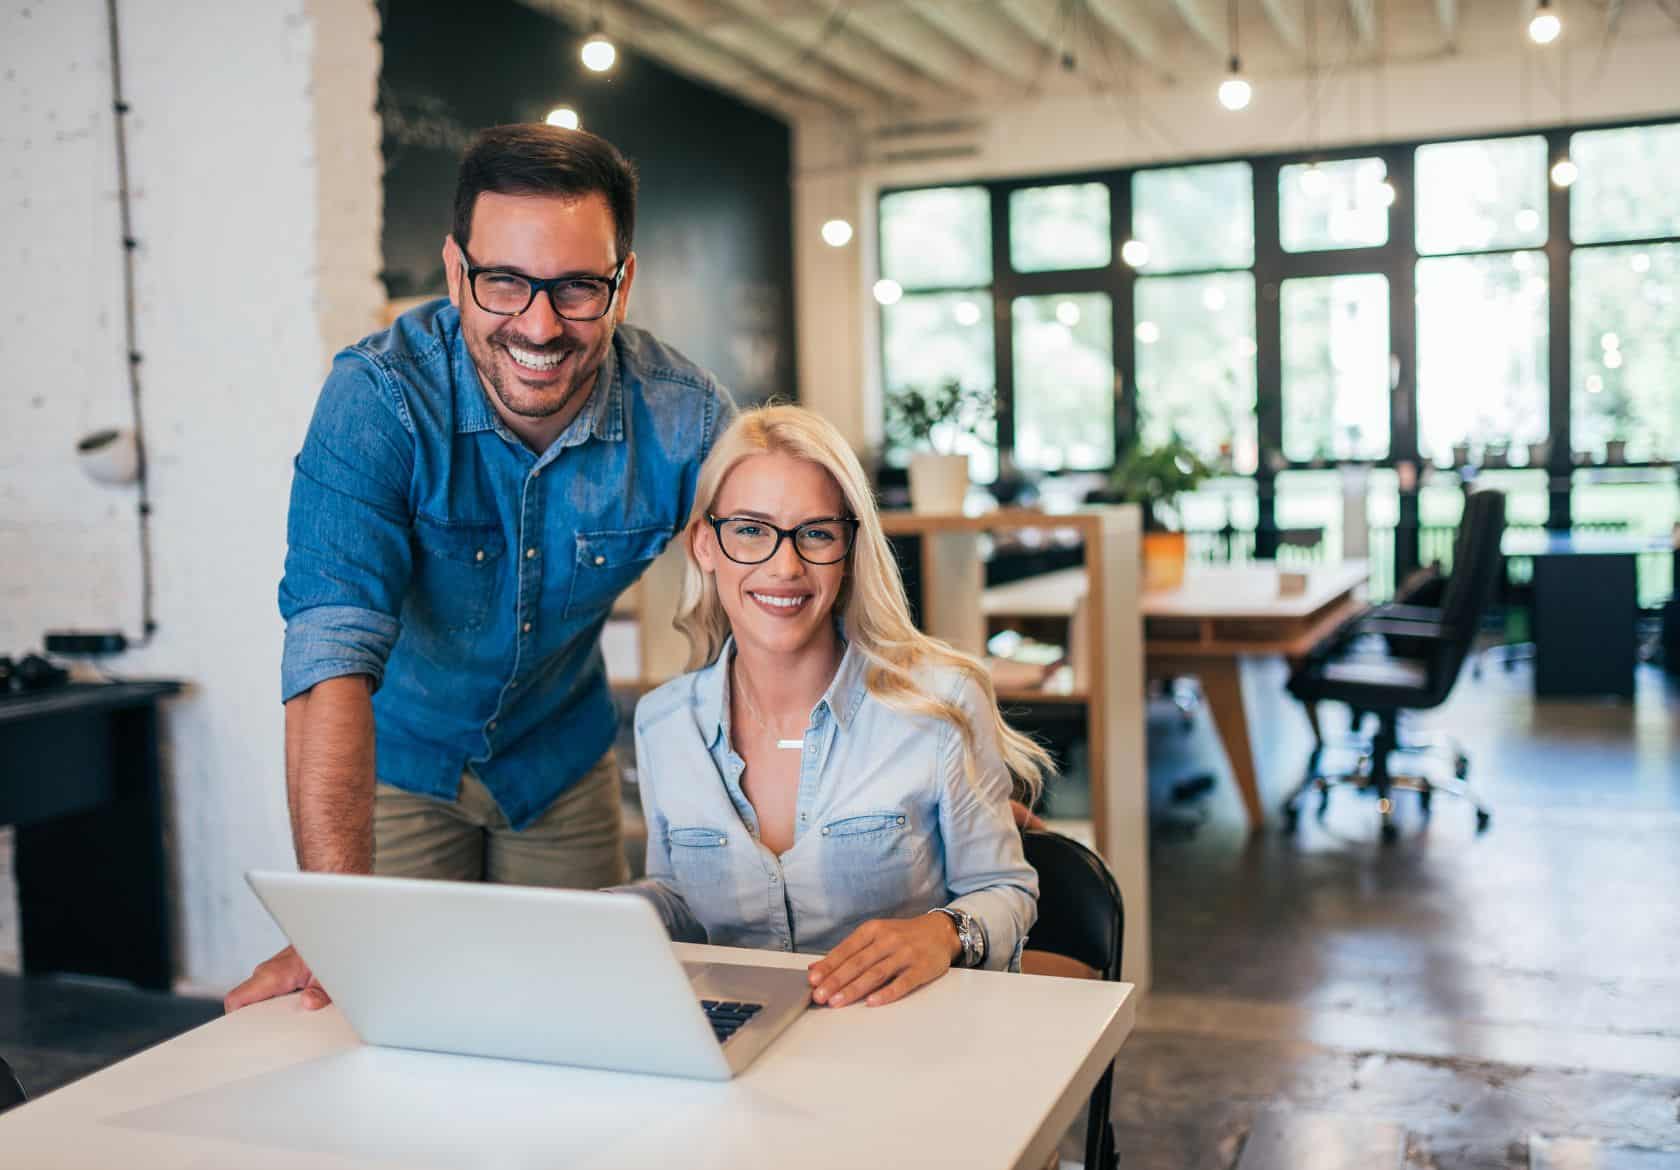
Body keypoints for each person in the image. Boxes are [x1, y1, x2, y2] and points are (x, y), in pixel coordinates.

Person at [224, 124, 733, 1012]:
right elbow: (328, 656)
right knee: (392, 1018)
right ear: (457, 271)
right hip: (398, 763)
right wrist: (334, 924)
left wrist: (938, 760)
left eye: (577, 288)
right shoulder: (378, 399)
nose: (538, 326)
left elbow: (798, 589)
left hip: (560, 762)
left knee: (582, 1021)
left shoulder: (683, 418)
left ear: (623, 282)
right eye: (504, 282)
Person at [623, 405, 1050, 1008]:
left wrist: (940, 933)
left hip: (902, 1047)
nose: (785, 565)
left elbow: (1006, 888)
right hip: (738, 1047)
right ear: (704, 545)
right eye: (750, 530)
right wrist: (609, 914)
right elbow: (680, 902)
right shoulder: (664, 723)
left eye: (816, 533)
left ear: (849, 551)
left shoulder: (941, 704)